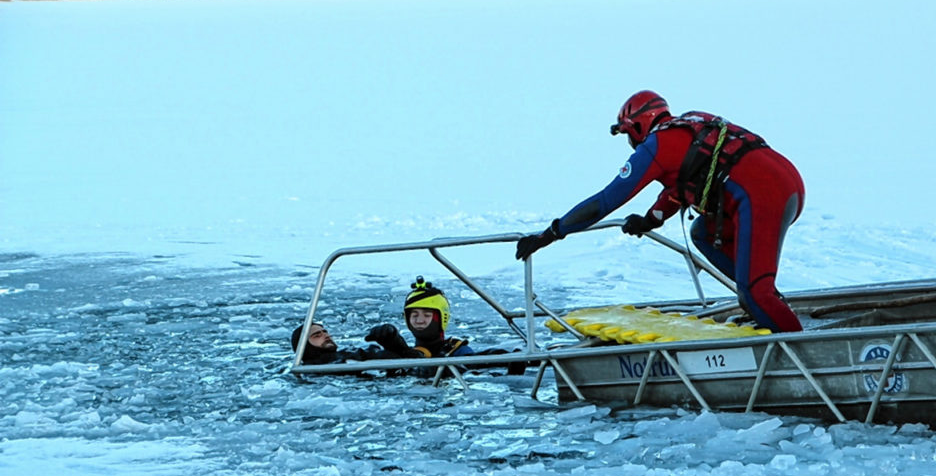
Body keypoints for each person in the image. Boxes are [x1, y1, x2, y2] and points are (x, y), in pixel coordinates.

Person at [515, 90, 805, 332]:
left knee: (755, 292)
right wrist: (651, 219)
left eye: (628, 134)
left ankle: (803, 353)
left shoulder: (655, 145)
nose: (630, 143)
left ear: (638, 127)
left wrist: (552, 233)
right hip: (785, 183)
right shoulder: (688, 125)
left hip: (762, 195)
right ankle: (765, 303)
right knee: (702, 233)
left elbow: (604, 202)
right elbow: (685, 182)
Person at [292, 277, 526, 374]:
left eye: (426, 315)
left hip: (435, 366)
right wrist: (395, 345)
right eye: (316, 335)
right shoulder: (320, 367)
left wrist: (395, 346)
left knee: (478, 359)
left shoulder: (455, 348)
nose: (325, 335)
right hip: (421, 372)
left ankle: (526, 358)